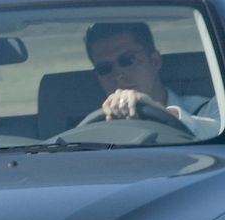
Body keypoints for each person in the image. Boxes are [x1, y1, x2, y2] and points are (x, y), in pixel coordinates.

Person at [84, 22, 218, 139]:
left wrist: (157, 111)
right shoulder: (92, 129)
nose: (118, 74)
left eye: (128, 59)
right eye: (104, 68)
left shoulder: (207, 108)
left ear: (155, 61)